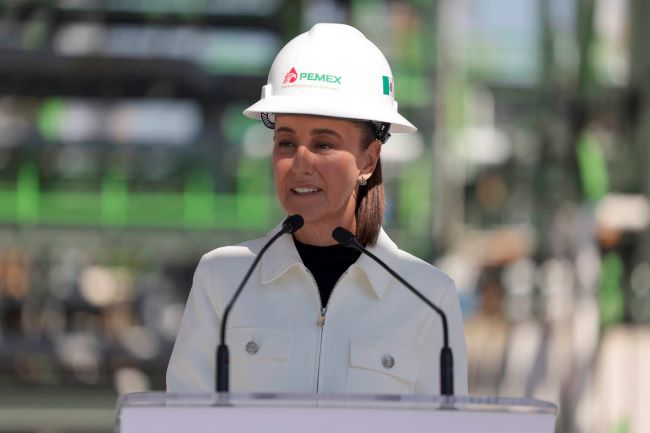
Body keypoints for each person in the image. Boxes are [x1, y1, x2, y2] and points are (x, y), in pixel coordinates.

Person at [167, 23, 468, 395]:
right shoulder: (222, 279)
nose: (300, 162)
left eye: (323, 145)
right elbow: (181, 415)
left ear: (369, 159)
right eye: (286, 142)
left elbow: (443, 421)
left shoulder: (428, 298)